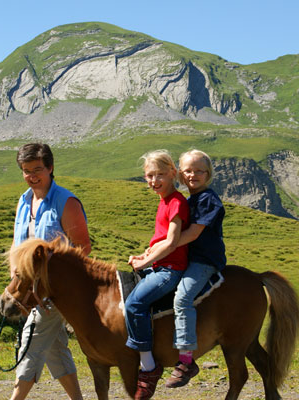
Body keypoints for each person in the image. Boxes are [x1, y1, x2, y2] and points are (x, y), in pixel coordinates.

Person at [8, 143, 91, 400]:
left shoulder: (66, 202)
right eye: (26, 171)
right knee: (55, 349)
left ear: (50, 168)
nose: (32, 176)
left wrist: (54, 281)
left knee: (31, 342)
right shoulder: (24, 201)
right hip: (29, 289)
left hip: (56, 291)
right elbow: (17, 246)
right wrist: (16, 281)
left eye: (37, 170)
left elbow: (83, 248)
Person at [125, 149, 190, 400]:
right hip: (159, 264)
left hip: (170, 270)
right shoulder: (164, 201)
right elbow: (161, 240)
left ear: (173, 173)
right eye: (149, 176)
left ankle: (149, 367)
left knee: (134, 304)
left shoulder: (176, 202)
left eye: (159, 174)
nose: (154, 180)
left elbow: (172, 242)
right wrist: (144, 255)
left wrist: (145, 262)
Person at [163, 149, 226, 389]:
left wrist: (163, 248)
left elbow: (192, 234)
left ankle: (186, 360)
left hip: (204, 261)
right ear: (180, 173)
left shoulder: (208, 199)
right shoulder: (189, 200)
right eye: (188, 170)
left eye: (199, 171)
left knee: (182, 298)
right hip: (188, 259)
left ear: (208, 174)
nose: (193, 175)